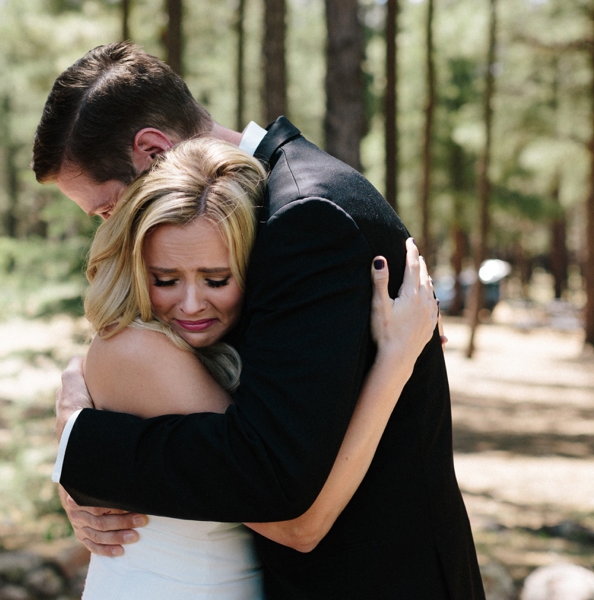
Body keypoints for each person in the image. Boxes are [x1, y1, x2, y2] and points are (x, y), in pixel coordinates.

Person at [34, 42, 486, 599]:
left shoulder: (302, 219)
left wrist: (87, 447)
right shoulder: (264, 209)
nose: (109, 231)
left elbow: (270, 478)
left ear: (153, 154)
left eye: (106, 210)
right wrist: (83, 406)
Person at [77, 137, 439, 598]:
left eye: (216, 279)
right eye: (164, 280)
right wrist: (394, 360)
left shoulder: (207, 349)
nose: (190, 304)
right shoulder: (141, 351)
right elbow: (300, 526)